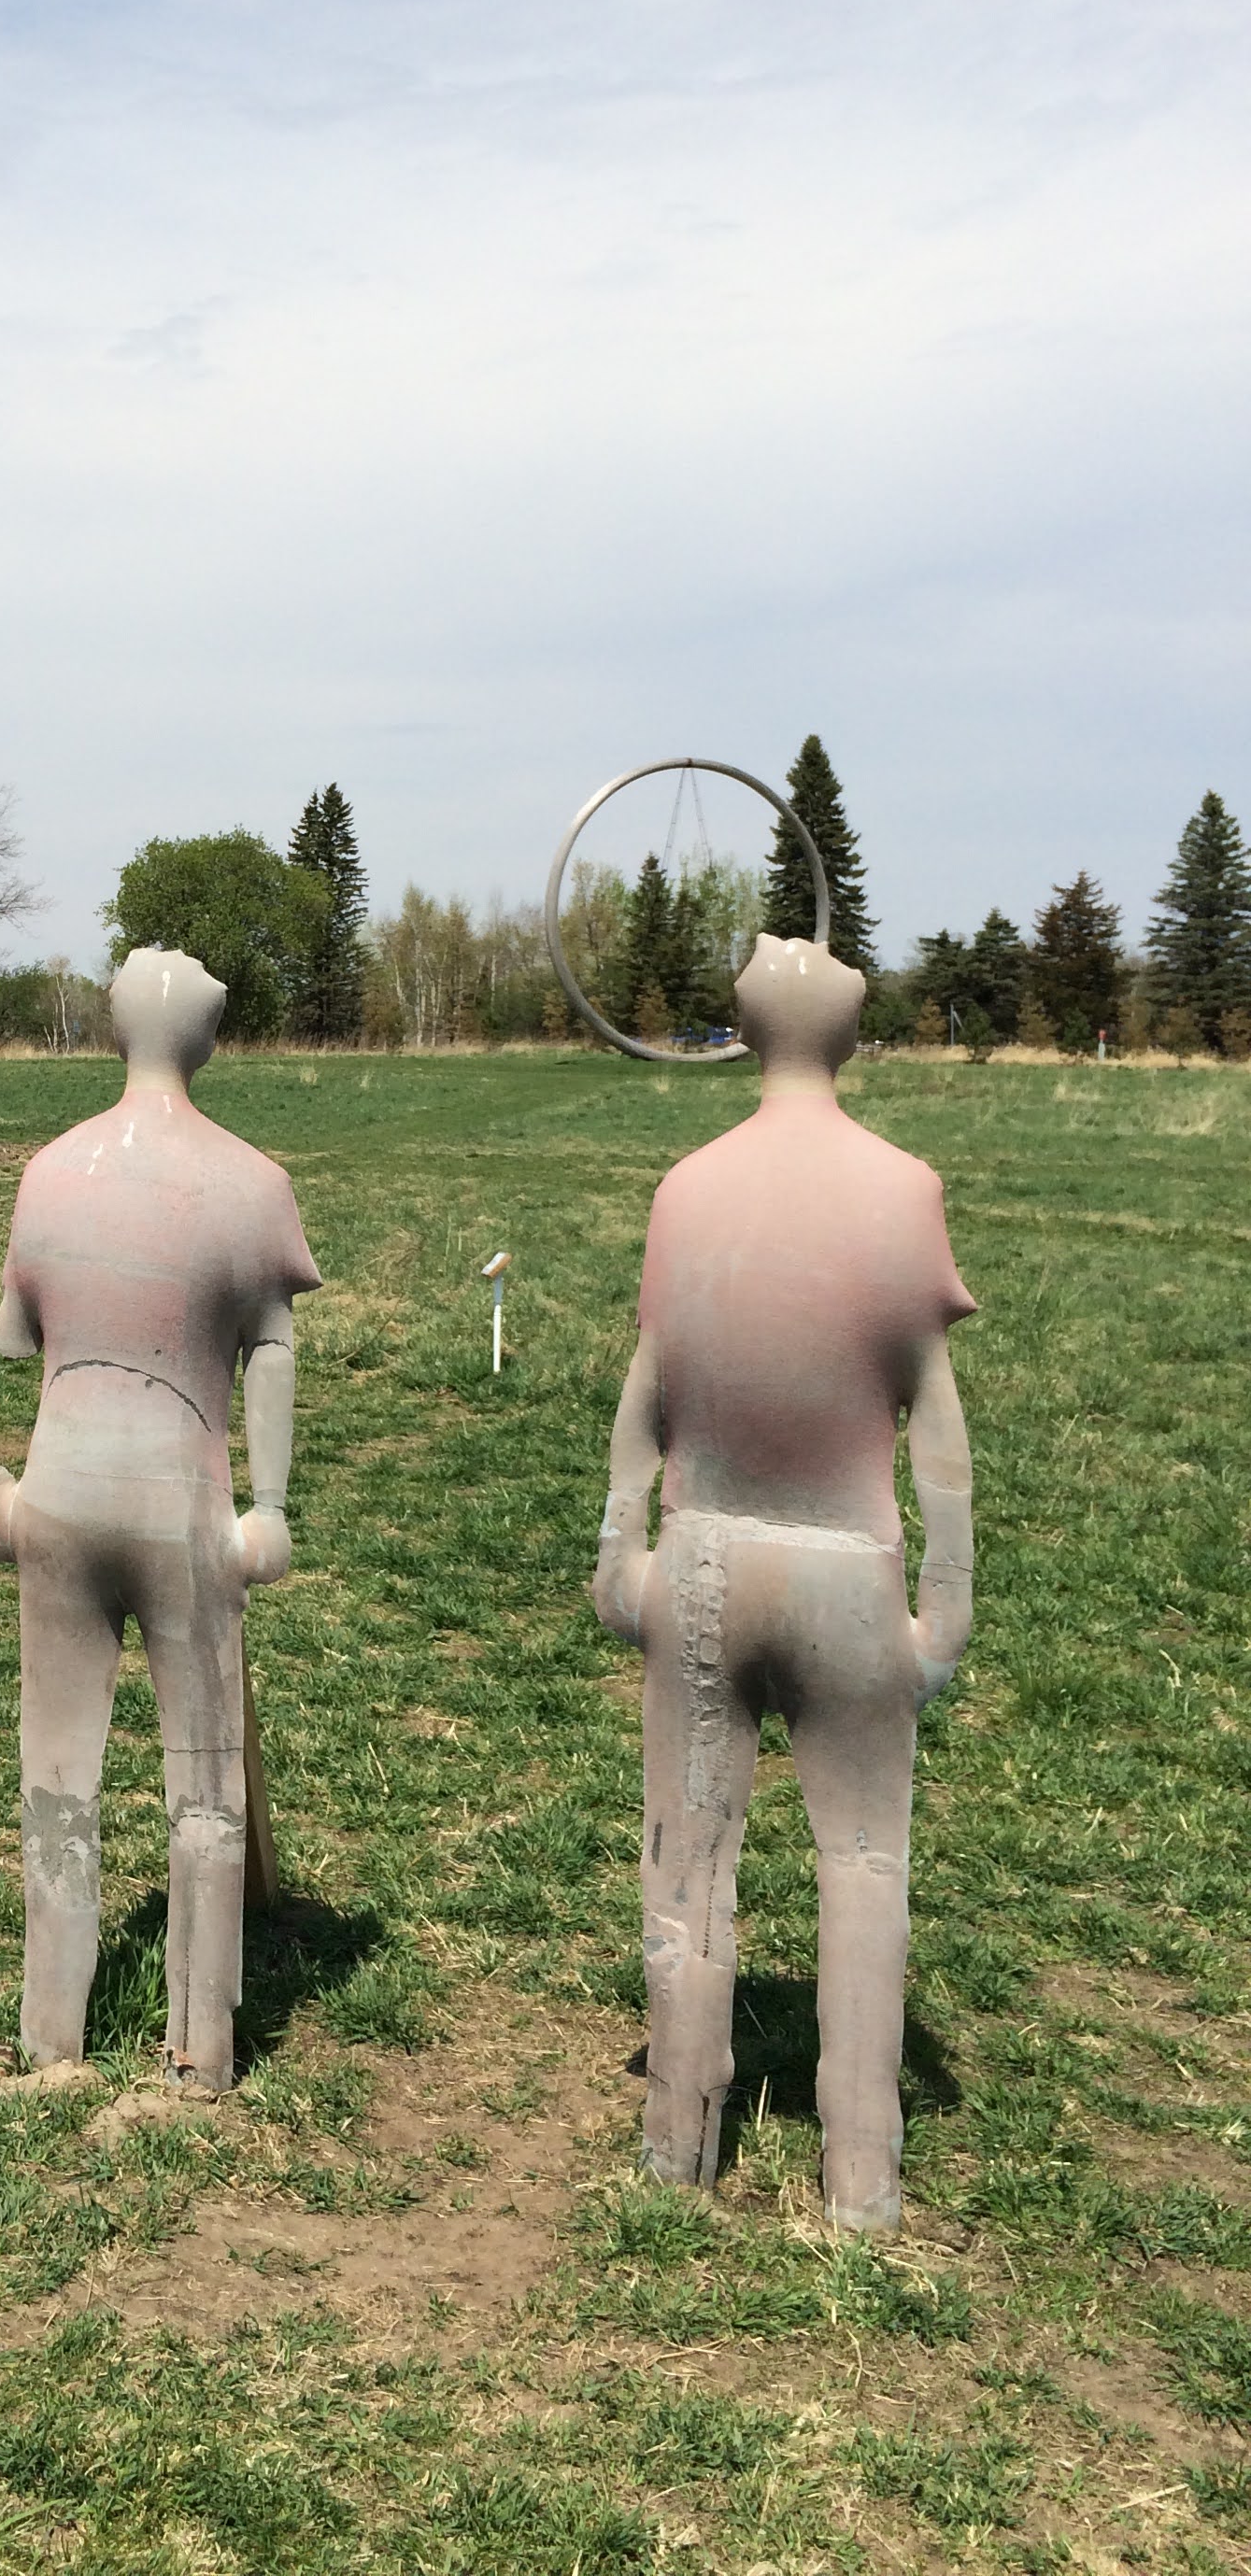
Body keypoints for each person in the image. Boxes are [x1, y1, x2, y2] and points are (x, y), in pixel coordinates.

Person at [594, 934, 976, 2229]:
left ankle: (676, 2136)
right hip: (850, 1577)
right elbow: (936, 1420)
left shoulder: (687, 1187)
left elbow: (648, 1388)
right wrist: (946, 1605)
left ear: (746, 1029)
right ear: (850, 1028)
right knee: (865, 1866)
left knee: (686, 1860)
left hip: (705, 1563)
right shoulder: (903, 1188)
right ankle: (861, 2168)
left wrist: (621, 1549)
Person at [0, 946, 320, 2093]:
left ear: (119, 1029)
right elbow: (271, 1349)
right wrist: (266, 1507)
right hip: (183, 1508)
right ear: (211, 1037)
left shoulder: (50, 1171)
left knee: (58, 1770)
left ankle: (49, 2032)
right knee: (204, 1782)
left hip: (58, 1497)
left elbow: (14, 1338)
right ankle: (201, 2053)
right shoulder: (254, 1182)